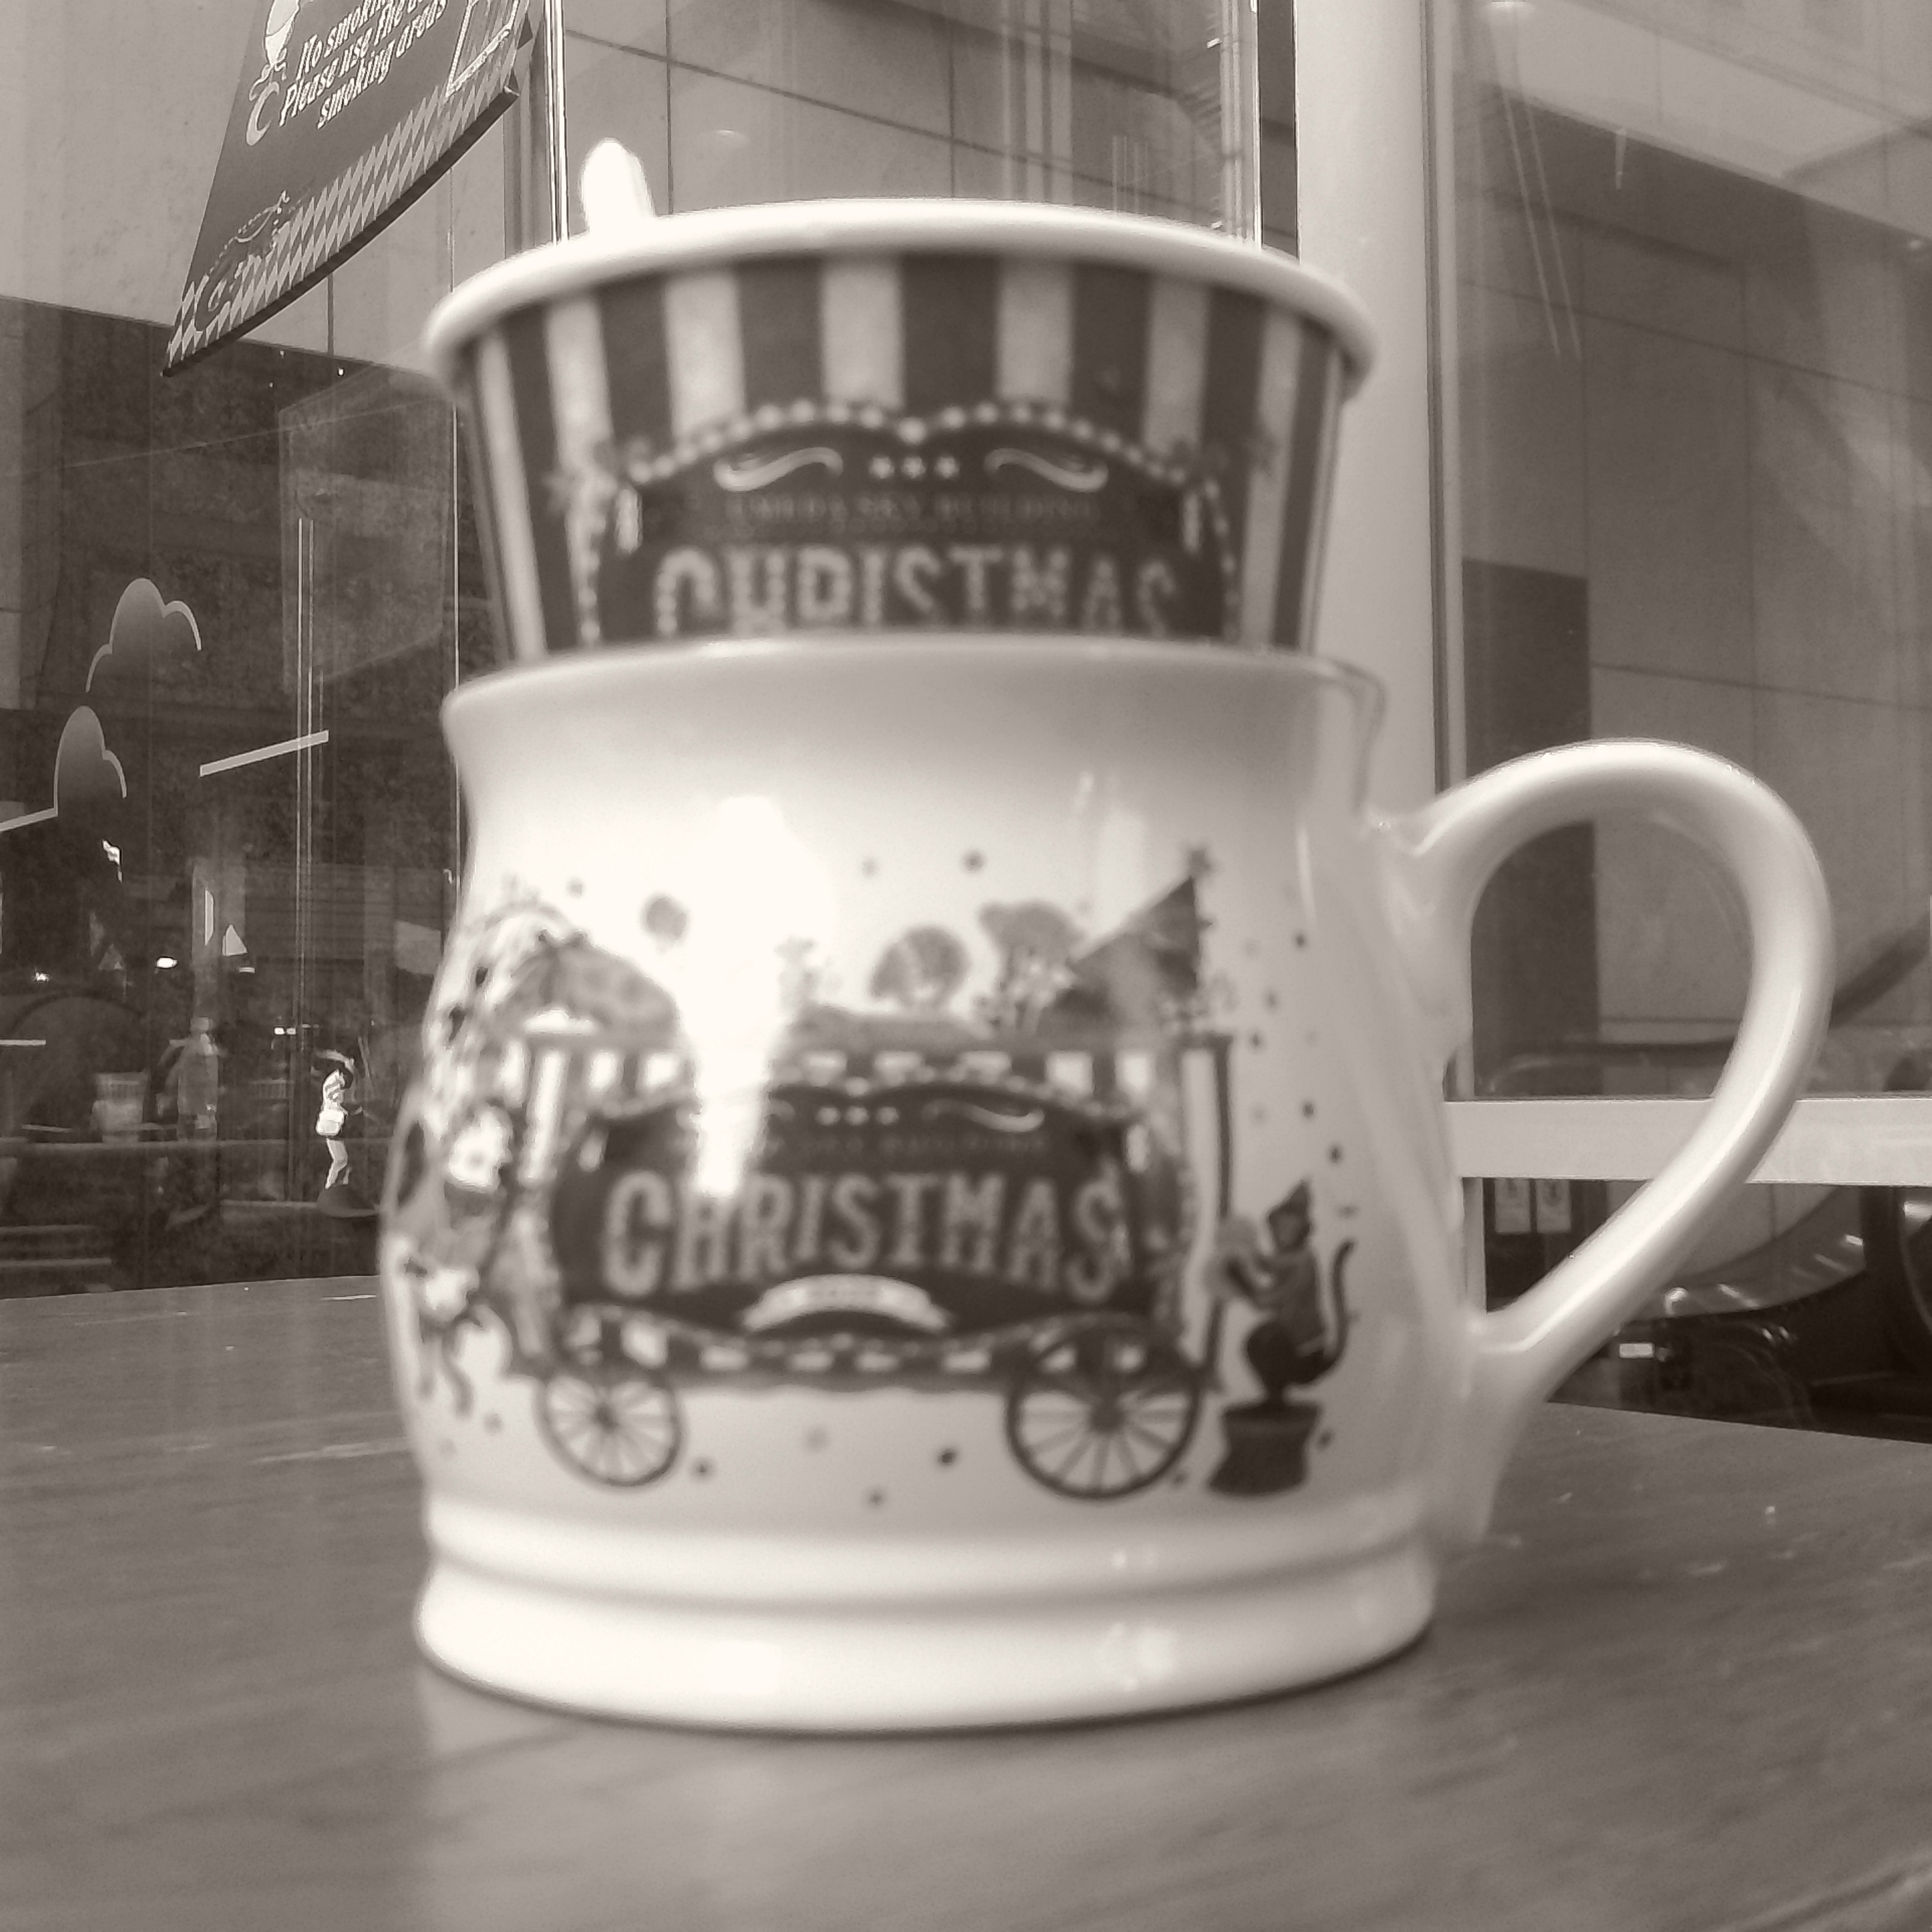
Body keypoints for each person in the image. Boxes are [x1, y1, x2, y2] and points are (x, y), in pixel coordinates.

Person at [315, 1047, 356, 1197]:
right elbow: (349, 1097)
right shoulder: (341, 1078)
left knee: (342, 1159)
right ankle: (332, 1189)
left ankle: (336, 1188)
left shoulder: (330, 1080)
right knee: (342, 1159)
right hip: (337, 1121)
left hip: (330, 1120)